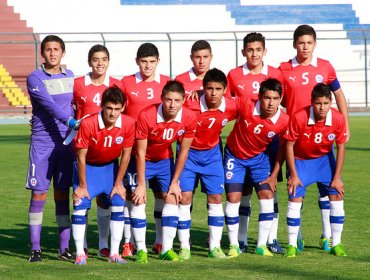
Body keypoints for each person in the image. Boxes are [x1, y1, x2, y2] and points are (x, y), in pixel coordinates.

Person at [279, 24, 350, 252]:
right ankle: (296, 237)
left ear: (315, 44)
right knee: (295, 190)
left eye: (309, 43)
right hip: (296, 140)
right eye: (301, 43)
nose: (305, 47)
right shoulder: (284, 69)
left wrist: (345, 123)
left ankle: (327, 237)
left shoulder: (326, 67)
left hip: (322, 140)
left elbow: (338, 94)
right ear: (294, 44)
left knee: (328, 192)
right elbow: (277, 98)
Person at [227, 32, 285, 254]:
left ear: (264, 51)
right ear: (244, 51)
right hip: (243, 143)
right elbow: (226, 102)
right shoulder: (234, 75)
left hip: (269, 142)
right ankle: (240, 239)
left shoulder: (275, 74)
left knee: (270, 189)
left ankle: (271, 239)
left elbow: (281, 103)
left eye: (258, 50)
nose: (254, 54)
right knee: (244, 191)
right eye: (250, 49)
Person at [127, 80, 197, 262]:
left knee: (173, 198)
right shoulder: (147, 115)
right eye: (168, 100)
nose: (172, 105)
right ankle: (141, 249)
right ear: (161, 99)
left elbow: (184, 151)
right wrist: (142, 184)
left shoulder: (189, 117)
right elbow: (140, 152)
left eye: (177, 100)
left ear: (183, 100)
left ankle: (166, 249)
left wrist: (175, 182)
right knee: (138, 199)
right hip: (141, 160)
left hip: (165, 161)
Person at [25, 35, 77, 262]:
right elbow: (49, 104)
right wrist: (72, 121)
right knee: (39, 194)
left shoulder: (72, 77)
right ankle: (35, 248)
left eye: (56, 49)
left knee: (62, 194)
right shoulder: (35, 77)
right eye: (48, 49)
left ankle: (64, 249)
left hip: (66, 143)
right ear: (42, 53)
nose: (52, 53)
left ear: (63, 53)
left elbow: (79, 103)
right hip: (43, 143)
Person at [71, 85, 135, 265]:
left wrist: (118, 183)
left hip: (110, 169)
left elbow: (126, 155)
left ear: (123, 107)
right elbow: (80, 157)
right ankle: (79, 253)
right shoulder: (88, 123)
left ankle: (114, 253)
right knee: (80, 205)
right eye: (109, 108)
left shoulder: (129, 123)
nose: (113, 113)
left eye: (117, 109)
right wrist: (83, 186)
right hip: (88, 169)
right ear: (102, 106)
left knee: (118, 202)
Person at [177, 68, 237, 260]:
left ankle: (214, 246)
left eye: (218, 89)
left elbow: (252, 109)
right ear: (202, 88)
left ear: (225, 90)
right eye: (209, 88)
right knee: (185, 198)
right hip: (188, 155)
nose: (213, 93)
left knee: (216, 199)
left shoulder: (232, 106)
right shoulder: (189, 103)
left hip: (212, 156)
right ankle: (185, 246)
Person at [284, 83, 347, 257]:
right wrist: (294, 174)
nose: (322, 107)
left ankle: (337, 243)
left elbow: (341, 147)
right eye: (318, 103)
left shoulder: (338, 119)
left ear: (331, 102)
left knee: (337, 195)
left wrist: (337, 177)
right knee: (294, 198)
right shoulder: (299, 117)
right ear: (312, 102)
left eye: (326, 103)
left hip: (324, 161)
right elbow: (289, 146)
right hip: (300, 161)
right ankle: (291, 245)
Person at [121, 43, 171, 256]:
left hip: (162, 152)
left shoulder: (167, 83)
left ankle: (159, 241)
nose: (147, 66)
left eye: (152, 62)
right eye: (144, 62)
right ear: (137, 62)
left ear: (158, 61)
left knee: (162, 195)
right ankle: (127, 241)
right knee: (131, 196)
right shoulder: (126, 82)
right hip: (133, 151)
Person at [73, 44, 123, 258]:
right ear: (89, 62)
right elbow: (67, 108)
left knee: (105, 200)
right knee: (80, 199)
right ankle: (81, 246)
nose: (100, 63)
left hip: (109, 152)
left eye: (104, 59)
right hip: (85, 150)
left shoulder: (116, 85)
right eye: (95, 59)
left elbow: (124, 113)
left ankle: (104, 244)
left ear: (109, 61)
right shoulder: (77, 85)